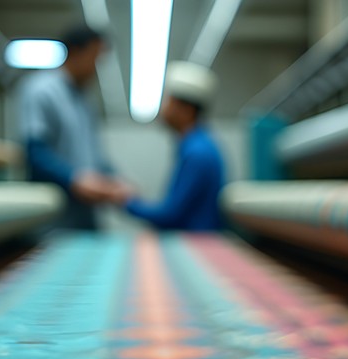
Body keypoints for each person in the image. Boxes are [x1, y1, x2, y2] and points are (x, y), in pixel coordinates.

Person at [19, 25, 127, 230]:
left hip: (85, 216)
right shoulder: (41, 90)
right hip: (53, 217)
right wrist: (74, 179)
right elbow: (35, 151)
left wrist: (115, 179)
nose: (97, 68)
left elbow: (94, 157)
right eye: (95, 59)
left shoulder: (86, 101)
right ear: (76, 53)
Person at [121, 61, 225, 231]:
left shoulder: (198, 153)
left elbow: (170, 215)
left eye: (168, 101)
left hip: (197, 243)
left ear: (186, 110)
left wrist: (125, 201)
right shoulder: (198, 146)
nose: (163, 109)